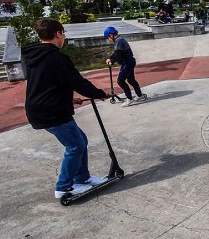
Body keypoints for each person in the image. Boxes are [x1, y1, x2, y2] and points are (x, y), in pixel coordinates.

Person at [23, 18, 108, 200]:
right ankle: (63, 187)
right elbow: (77, 81)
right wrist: (99, 93)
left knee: (80, 140)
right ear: (58, 34)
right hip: (51, 111)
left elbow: (48, 83)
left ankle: (82, 179)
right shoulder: (57, 57)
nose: (64, 38)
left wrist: (69, 99)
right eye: (63, 34)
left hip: (41, 108)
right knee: (75, 145)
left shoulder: (34, 56)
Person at [103, 26, 144, 107]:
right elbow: (118, 54)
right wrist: (112, 59)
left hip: (127, 63)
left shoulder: (119, 40)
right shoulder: (119, 40)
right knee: (131, 80)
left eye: (108, 38)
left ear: (111, 35)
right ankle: (140, 95)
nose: (108, 40)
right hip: (129, 62)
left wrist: (111, 59)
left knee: (120, 81)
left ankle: (129, 98)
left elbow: (118, 54)